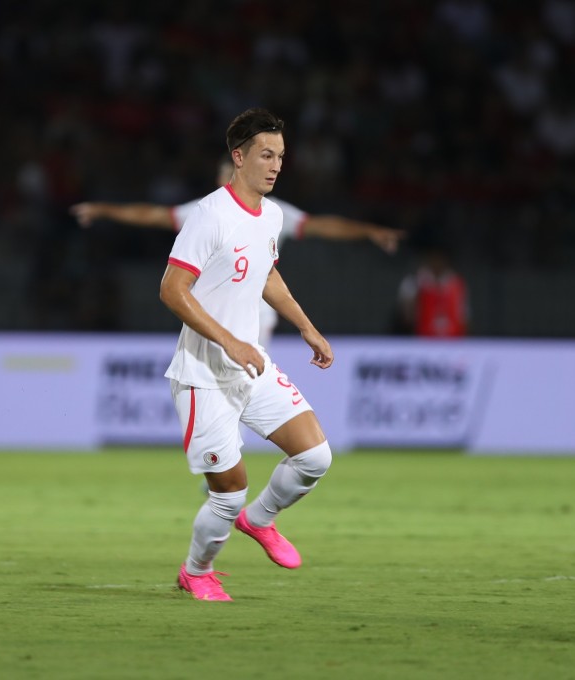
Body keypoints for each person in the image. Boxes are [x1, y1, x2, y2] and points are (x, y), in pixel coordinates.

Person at [159, 108, 335, 602]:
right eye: (265, 154)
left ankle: (258, 521)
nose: (275, 165)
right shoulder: (210, 215)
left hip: (250, 367)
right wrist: (229, 341)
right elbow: (173, 290)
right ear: (238, 157)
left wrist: (307, 327)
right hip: (203, 376)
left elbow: (267, 275)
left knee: (315, 456)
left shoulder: (272, 214)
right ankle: (196, 570)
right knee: (227, 491)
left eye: (280, 155)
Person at [71, 159, 405, 347]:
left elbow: (321, 226)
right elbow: (153, 215)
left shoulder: (274, 212)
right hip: (209, 313)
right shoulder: (205, 212)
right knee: (226, 394)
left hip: (256, 314)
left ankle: (222, 466)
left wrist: (369, 231)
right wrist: (103, 210)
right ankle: (221, 466)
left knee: (239, 388)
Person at [397, 245, 469, 337]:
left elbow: (464, 317)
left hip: (453, 339)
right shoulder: (416, 281)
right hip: (424, 338)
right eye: (433, 258)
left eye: (440, 258)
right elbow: (406, 317)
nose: (437, 262)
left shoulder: (457, 283)